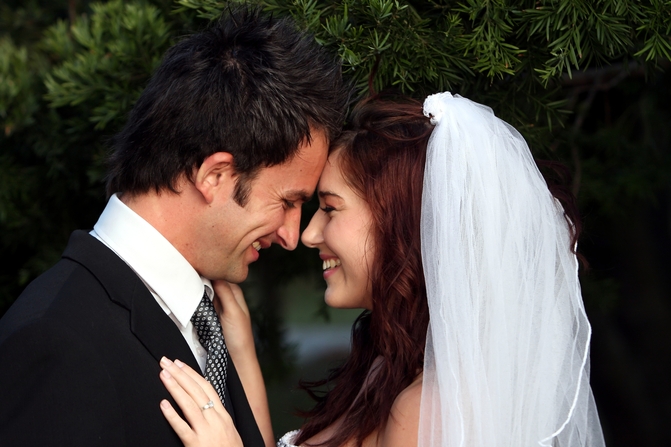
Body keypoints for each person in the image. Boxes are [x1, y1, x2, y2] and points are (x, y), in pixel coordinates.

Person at [158, 93, 606, 447]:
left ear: (400, 228)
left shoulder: (428, 409)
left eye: (330, 209)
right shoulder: (386, 369)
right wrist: (240, 346)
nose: (308, 235)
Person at [0, 7, 349, 447]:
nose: (291, 236)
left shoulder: (211, 317)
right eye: (288, 202)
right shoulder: (55, 341)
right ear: (214, 176)